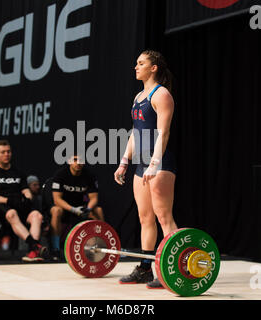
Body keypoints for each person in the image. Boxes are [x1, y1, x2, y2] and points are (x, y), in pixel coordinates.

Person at [114, 50, 178, 289]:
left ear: (154, 68)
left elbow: (164, 132)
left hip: (159, 163)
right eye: (136, 63)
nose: (136, 67)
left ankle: (172, 268)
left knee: (164, 217)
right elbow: (135, 134)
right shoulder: (138, 96)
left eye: (141, 63)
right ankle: (144, 268)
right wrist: (123, 162)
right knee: (145, 218)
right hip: (141, 163)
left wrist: (153, 163)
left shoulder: (161, 94)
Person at [0, 140, 48, 262]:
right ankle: (35, 246)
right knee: (12, 213)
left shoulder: (18, 172)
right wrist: (9, 200)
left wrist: (28, 198)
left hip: (18, 205)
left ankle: (32, 252)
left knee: (37, 215)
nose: (6, 154)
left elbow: (26, 190)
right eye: (3, 152)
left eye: (8, 152)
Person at [50, 155, 104, 261]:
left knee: (98, 210)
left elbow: (94, 199)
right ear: (69, 162)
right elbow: (57, 200)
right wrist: (73, 209)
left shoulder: (89, 175)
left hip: (81, 208)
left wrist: (88, 209)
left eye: (81, 160)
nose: (78, 162)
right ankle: (55, 249)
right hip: (64, 207)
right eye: (75, 160)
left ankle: (102, 245)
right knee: (56, 211)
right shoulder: (60, 174)